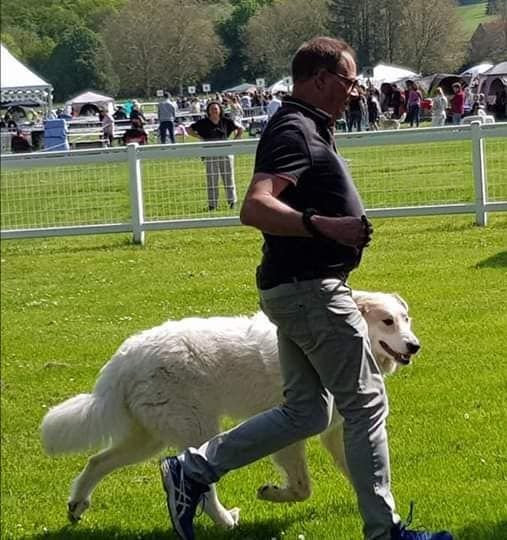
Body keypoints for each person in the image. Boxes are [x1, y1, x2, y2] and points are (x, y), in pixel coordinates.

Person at [159, 36, 454, 540]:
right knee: (365, 404)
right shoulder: (294, 128)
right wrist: (326, 226)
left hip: (298, 288)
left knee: (308, 411)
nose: (354, 92)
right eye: (348, 81)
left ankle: (192, 470)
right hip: (312, 290)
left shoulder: (307, 125)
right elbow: (254, 207)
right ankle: (387, 532)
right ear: (319, 79)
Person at [187, 101, 243, 210]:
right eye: (212, 109)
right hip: (210, 153)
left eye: (216, 108)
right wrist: (200, 138)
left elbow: (240, 129)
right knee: (212, 179)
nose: (214, 110)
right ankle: (212, 204)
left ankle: (232, 202)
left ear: (220, 110)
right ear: (208, 111)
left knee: (228, 178)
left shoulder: (226, 121)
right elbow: (188, 129)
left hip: (225, 152)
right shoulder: (203, 123)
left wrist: (234, 141)